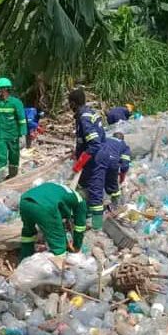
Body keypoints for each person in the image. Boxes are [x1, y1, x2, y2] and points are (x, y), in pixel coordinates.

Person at [69, 88, 107, 230]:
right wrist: (77, 152)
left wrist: (81, 160)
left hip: (96, 158)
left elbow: (94, 143)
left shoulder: (84, 118)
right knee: (83, 186)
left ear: (73, 103)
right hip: (93, 156)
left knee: (95, 190)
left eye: (70, 104)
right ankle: (84, 216)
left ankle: (97, 227)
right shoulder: (89, 113)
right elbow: (85, 140)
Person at [19, 182, 87, 261]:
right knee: (59, 245)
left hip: (25, 201)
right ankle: (59, 271)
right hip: (45, 206)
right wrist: (76, 246)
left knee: (28, 233)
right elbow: (80, 228)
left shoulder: (64, 190)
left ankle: (25, 259)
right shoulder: (81, 201)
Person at [0, 77, 27, 182]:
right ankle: (0, 181)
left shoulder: (16, 103)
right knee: (1, 158)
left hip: (13, 136)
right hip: (1, 136)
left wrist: (23, 135)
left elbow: (22, 120)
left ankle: (13, 178)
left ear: (4, 90)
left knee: (14, 157)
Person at [102, 132, 131, 211]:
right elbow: (125, 164)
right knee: (113, 187)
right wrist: (122, 177)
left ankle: (96, 202)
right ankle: (115, 206)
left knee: (98, 183)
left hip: (99, 160)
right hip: (112, 163)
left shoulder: (105, 139)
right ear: (122, 139)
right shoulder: (124, 145)